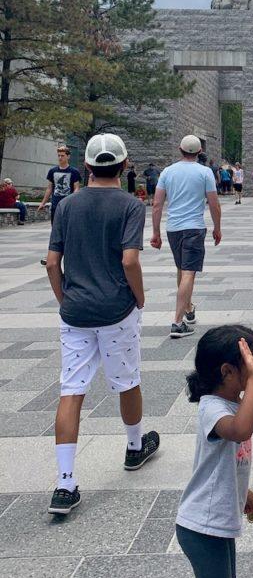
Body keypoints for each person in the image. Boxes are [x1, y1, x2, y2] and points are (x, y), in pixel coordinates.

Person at [44, 133, 160, 516]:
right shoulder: (130, 205)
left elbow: (51, 261)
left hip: (75, 311)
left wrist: (64, 299)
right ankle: (133, 446)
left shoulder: (67, 206)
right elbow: (130, 261)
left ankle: (64, 483)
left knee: (71, 389)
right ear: (125, 166)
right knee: (127, 379)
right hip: (116, 309)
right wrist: (139, 298)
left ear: (87, 166)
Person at [176, 325, 253, 578]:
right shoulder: (213, 408)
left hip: (218, 521)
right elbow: (241, 430)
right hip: (201, 526)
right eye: (251, 361)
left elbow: (227, 461)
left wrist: (246, 495)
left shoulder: (228, 402)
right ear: (227, 372)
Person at [152, 135, 222, 339]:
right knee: (189, 272)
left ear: (179, 149)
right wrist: (217, 227)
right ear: (199, 152)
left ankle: (189, 309)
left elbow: (157, 204)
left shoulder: (167, 172)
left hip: (173, 228)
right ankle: (177, 322)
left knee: (182, 269)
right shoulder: (205, 172)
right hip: (194, 227)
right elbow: (214, 203)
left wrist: (155, 232)